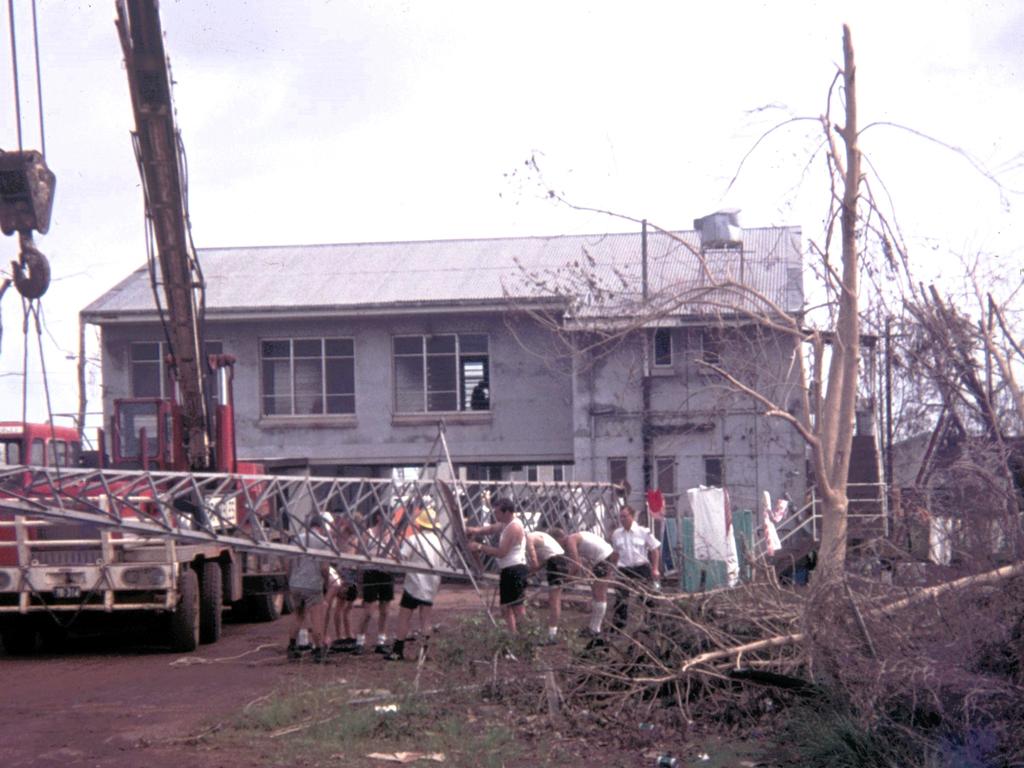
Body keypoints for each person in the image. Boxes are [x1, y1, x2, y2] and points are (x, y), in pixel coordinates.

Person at [386, 509, 444, 661]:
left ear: (420, 524)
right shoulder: (439, 542)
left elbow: (401, 557)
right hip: (430, 585)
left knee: (404, 617)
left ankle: (397, 651)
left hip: (413, 585)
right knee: (426, 619)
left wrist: (395, 549)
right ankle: (424, 653)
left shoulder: (414, 540)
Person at [467, 497, 528, 633]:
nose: (495, 515)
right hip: (511, 569)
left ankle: (525, 637)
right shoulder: (506, 523)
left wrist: (479, 546)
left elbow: (501, 553)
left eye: (497, 513)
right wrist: (475, 530)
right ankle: (514, 636)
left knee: (516, 607)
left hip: (514, 570)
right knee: (507, 607)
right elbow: (491, 529)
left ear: (506, 513)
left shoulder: (513, 528)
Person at [550, 527, 615, 637]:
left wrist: (567, 579)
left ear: (559, 539)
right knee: (596, 593)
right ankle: (594, 627)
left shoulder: (571, 541)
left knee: (599, 593)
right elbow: (586, 556)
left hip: (604, 557)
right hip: (604, 556)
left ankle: (595, 629)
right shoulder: (575, 537)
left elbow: (576, 565)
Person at [286, 514, 330, 662]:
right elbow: (324, 567)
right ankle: (319, 651)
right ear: (321, 527)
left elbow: (289, 563)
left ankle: (292, 647)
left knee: (298, 614)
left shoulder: (297, 539)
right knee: (316, 616)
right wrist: (327, 582)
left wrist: (290, 579)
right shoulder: (324, 542)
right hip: (312, 584)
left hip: (296, 583)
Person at [609, 505, 661, 629]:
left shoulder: (643, 532)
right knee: (621, 598)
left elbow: (654, 550)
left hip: (640, 567)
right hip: (624, 569)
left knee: (647, 596)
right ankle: (619, 625)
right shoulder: (616, 534)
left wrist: (655, 568)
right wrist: (612, 570)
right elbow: (615, 554)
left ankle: (652, 624)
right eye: (620, 517)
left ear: (632, 516)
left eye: (625, 516)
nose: (622, 519)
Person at [354, 508, 395, 655]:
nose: (390, 520)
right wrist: (359, 578)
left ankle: (381, 641)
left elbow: (396, 554)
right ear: (378, 517)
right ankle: (359, 641)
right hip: (371, 573)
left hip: (386, 573)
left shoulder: (391, 535)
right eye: (388, 516)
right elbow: (359, 554)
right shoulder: (368, 533)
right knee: (368, 611)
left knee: (385, 610)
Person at [525, 529, 569, 644]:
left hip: (555, 563)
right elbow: (540, 564)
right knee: (554, 599)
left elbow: (534, 562)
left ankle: (551, 636)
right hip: (560, 561)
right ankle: (552, 633)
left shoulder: (529, 538)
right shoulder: (542, 539)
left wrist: (524, 572)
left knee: (554, 600)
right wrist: (530, 572)